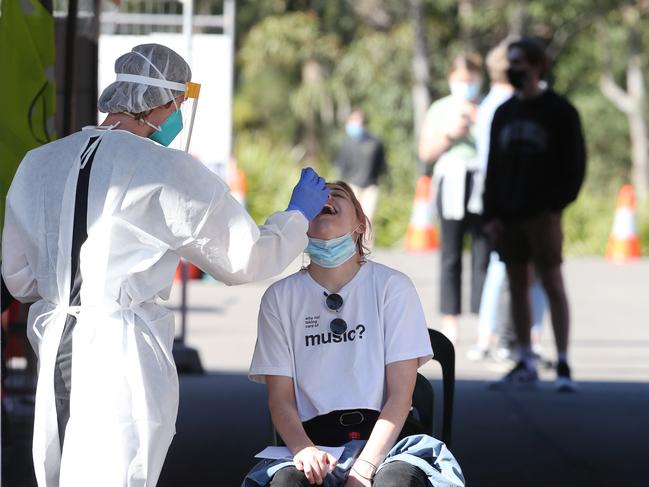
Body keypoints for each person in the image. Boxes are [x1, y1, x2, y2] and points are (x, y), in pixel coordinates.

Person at [1, 43, 329, 486]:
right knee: (116, 472)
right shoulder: (167, 169)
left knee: (59, 472)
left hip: (56, 340)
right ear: (163, 103)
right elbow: (244, 258)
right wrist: (296, 218)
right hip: (119, 351)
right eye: (181, 103)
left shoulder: (37, 164)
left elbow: (19, 279)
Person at [242, 182, 464, 487]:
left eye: (338, 194)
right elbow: (280, 401)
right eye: (317, 196)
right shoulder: (279, 298)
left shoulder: (392, 287)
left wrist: (364, 468)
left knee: (397, 481)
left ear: (361, 224)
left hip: (389, 445)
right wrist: (304, 450)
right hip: (312, 443)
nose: (326, 198)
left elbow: (401, 396)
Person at [483, 38, 586, 392]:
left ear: (538, 66)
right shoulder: (504, 113)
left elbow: (575, 165)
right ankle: (525, 358)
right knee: (517, 285)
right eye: (511, 63)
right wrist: (491, 212)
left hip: (543, 214)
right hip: (508, 214)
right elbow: (493, 168)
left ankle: (563, 362)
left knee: (552, 282)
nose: (515, 70)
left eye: (521, 64)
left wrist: (556, 207)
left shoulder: (559, 111)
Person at [466, 40, 549, 362]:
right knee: (510, 272)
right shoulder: (501, 106)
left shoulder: (508, 104)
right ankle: (507, 337)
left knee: (522, 273)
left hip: (532, 203)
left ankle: (510, 337)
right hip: (509, 202)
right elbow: (493, 162)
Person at [418, 53, 490, 345]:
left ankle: (486, 323)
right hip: (452, 180)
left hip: (482, 182)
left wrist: (477, 122)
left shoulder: (487, 106)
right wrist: (450, 134)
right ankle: (451, 320)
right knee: (450, 255)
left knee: (484, 254)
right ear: (450, 80)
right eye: (460, 80)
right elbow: (426, 152)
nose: (466, 86)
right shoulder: (440, 108)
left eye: (471, 81)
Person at [335, 109, 387, 225]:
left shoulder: (375, 142)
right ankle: (352, 243)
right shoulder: (346, 143)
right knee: (352, 219)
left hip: (371, 186)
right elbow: (342, 166)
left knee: (368, 219)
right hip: (352, 185)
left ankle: (367, 243)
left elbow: (381, 165)